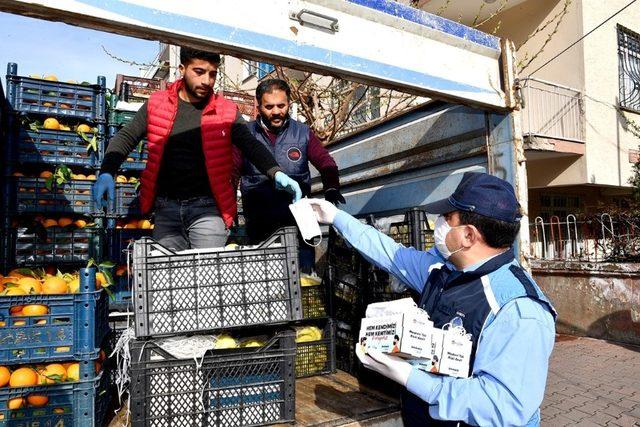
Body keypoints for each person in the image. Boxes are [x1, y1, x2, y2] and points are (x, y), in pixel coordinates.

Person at [308, 172, 557, 426]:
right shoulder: (442, 270)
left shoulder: (518, 309)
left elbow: (504, 407)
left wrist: (411, 378)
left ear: (469, 236)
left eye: (448, 218)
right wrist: (335, 216)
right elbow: (388, 252)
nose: (439, 223)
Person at [93, 47, 301, 251]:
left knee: (207, 277)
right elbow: (127, 136)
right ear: (182, 69)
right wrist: (107, 172)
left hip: (209, 209)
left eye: (212, 74)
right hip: (166, 209)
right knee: (168, 278)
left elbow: (250, 144)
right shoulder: (157, 103)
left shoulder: (226, 110)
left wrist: (276, 172)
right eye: (199, 72)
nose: (206, 81)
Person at [233, 79, 343, 272]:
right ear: (259, 107)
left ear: (289, 105)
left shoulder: (302, 132)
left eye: (281, 105)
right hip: (259, 225)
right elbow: (231, 171)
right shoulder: (246, 135)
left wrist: (332, 187)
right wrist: (228, 206)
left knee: (302, 282)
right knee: (264, 282)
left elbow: (325, 162)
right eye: (269, 106)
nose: (276, 111)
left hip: (298, 224)